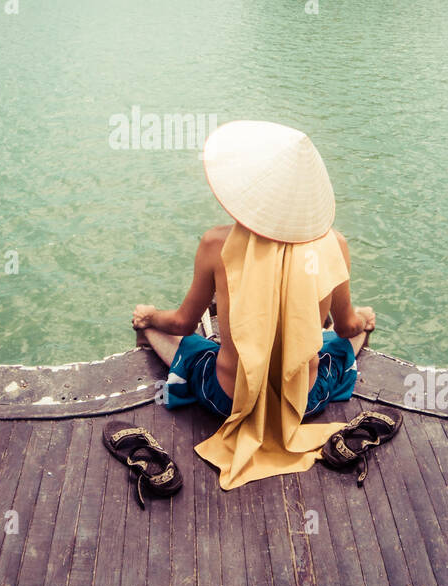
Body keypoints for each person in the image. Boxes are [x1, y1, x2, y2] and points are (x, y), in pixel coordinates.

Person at [132, 120, 377, 490]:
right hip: (304, 402)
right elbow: (344, 327)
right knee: (338, 347)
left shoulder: (216, 244)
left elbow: (183, 323)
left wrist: (150, 317)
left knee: (192, 346)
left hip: (229, 400)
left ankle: (151, 331)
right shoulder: (334, 244)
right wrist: (363, 319)